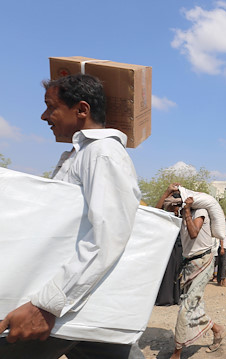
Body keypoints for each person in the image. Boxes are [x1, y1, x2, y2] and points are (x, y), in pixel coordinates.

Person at [0, 74, 146, 358]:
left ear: (81, 110)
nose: (44, 116)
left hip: (62, 304)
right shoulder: (79, 156)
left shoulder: (103, 154)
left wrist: (47, 305)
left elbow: (108, 236)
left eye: (50, 106)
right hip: (72, 301)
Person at [156, 184, 225, 358]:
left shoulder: (199, 211)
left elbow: (194, 233)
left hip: (203, 262)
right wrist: (166, 192)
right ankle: (217, 329)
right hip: (189, 265)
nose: (171, 209)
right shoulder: (179, 214)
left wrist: (187, 211)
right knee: (192, 307)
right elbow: (156, 214)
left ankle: (177, 352)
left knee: (186, 308)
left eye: (173, 205)